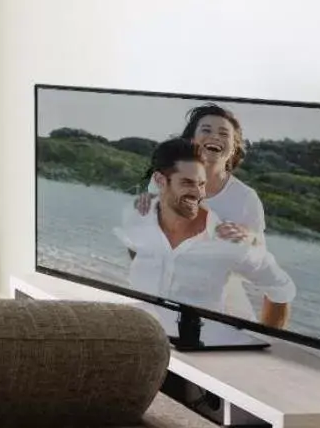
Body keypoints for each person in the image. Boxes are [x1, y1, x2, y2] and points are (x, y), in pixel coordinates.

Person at [117, 138, 294, 328]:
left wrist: (264, 343)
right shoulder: (137, 216)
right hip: (146, 339)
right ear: (160, 181)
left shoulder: (228, 240)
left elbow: (280, 288)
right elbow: (134, 250)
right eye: (187, 183)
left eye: (201, 184)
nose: (197, 193)